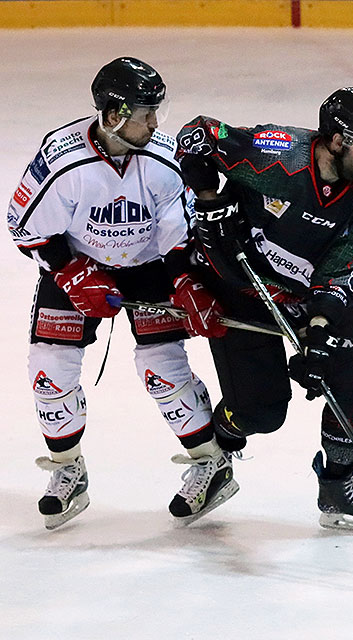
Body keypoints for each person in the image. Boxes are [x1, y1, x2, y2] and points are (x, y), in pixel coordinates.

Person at [6, 57, 236, 530]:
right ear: (113, 114)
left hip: (150, 269)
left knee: (160, 366)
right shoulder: (62, 158)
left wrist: (186, 281)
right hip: (76, 262)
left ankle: (210, 462)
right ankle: (68, 467)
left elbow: (179, 234)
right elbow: (23, 225)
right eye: (146, 114)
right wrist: (70, 272)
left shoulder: (165, 160)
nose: (156, 123)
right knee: (49, 366)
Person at [174, 86, 353, 532]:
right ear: (338, 140)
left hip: (302, 296)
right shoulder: (275, 152)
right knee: (262, 413)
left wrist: (317, 337)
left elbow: (340, 275)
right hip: (242, 286)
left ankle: (337, 486)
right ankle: (217, 453)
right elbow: (197, 133)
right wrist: (207, 197)